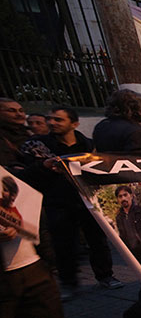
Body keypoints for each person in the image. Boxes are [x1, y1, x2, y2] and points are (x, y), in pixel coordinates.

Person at [19, 107, 121, 295]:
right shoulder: (38, 146)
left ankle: (105, 276)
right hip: (58, 202)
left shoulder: (89, 146)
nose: (52, 123)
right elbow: (25, 175)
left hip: (88, 201)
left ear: (74, 123)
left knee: (98, 240)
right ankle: (68, 282)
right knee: (64, 244)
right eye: (50, 119)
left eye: (59, 120)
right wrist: (44, 167)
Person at [114, 185, 141, 256]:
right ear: (118, 199)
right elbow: (122, 237)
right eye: (120, 196)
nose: (123, 198)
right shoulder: (119, 218)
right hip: (133, 254)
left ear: (131, 196)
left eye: (125, 195)